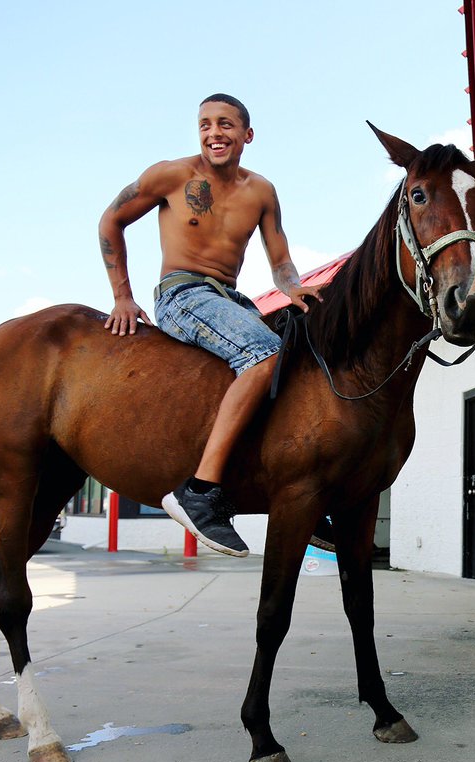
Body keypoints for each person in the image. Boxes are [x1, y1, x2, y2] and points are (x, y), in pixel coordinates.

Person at [98, 93, 321, 558]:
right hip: (182, 293)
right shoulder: (171, 175)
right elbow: (110, 221)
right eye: (204, 124)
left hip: (231, 299)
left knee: (303, 361)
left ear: (247, 135)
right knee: (264, 353)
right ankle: (198, 492)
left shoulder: (261, 191)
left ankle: (302, 493)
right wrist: (122, 295)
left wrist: (293, 287)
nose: (213, 133)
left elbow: (280, 261)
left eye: (225, 124)